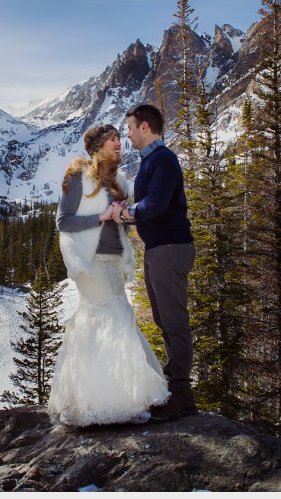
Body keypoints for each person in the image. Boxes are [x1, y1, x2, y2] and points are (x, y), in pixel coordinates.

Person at [47, 123, 170, 427]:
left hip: (113, 261)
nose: (119, 144)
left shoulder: (120, 182)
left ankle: (98, 398)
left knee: (114, 318)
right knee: (113, 318)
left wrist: (124, 215)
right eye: (113, 140)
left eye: (119, 138)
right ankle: (120, 401)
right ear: (98, 146)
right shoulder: (79, 178)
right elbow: (64, 222)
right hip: (91, 263)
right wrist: (102, 216)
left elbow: (126, 222)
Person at [113, 104, 198, 423]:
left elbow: (157, 203)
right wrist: (130, 210)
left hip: (169, 247)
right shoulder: (154, 160)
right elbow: (151, 204)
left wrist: (125, 213)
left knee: (174, 321)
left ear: (145, 127)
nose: (129, 134)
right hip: (160, 247)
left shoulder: (163, 159)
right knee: (164, 318)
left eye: (131, 128)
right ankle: (171, 385)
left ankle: (181, 395)